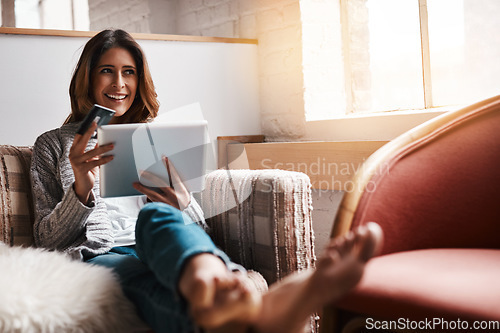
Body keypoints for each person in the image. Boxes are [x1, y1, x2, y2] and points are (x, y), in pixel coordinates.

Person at [30, 29, 383, 333]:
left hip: (164, 240)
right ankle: (253, 310)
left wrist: (182, 202)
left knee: (158, 218)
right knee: (139, 281)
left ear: (140, 80)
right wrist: (81, 187)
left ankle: (206, 278)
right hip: (104, 254)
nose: (120, 83)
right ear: (88, 77)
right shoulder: (54, 146)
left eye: (129, 72)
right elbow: (47, 240)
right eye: (107, 71)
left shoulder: (155, 138)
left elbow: (197, 227)